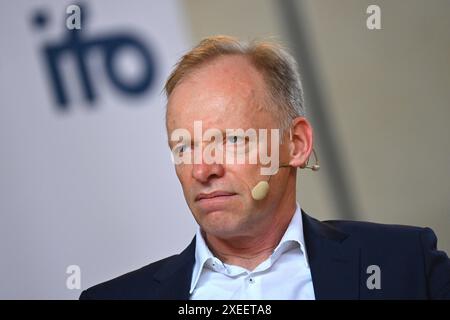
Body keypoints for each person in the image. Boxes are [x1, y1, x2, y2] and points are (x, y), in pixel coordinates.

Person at [80, 36, 450, 300]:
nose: (202, 169)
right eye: (184, 146)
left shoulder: (403, 263)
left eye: (231, 140)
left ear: (297, 144)